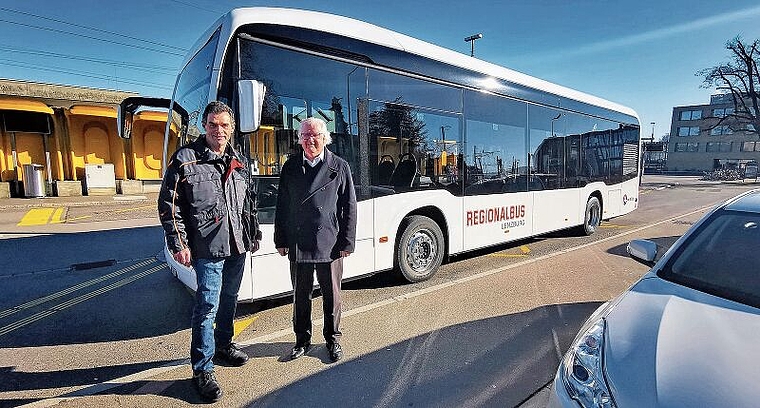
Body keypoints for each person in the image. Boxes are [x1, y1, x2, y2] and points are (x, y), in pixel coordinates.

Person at [157, 101, 261, 402]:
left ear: (231, 128)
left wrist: (253, 233)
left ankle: (225, 346)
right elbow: (169, 205)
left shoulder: (237, 158)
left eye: (224, 125)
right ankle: (202, 369)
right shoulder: (185, 160)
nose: (219, 130)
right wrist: (179, 244)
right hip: (207, 248)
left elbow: (248, 201)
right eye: (213, 124)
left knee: (230, 300)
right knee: (207, 307)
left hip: (237, 245)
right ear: (204, 126)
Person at [274, 117, 357, 363]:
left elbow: (349, 207)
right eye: (305, 136)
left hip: (329, 242)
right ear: (299, 139)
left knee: (332, 296)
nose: (310, 140)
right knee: (301, 295)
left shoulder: (339, 166)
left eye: (315, 135)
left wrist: (347, 242)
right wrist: (281, 239)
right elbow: (283, 206)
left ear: (325, 138)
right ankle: (302, 340)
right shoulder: (290, 166)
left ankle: (333, 339)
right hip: (299, 241)